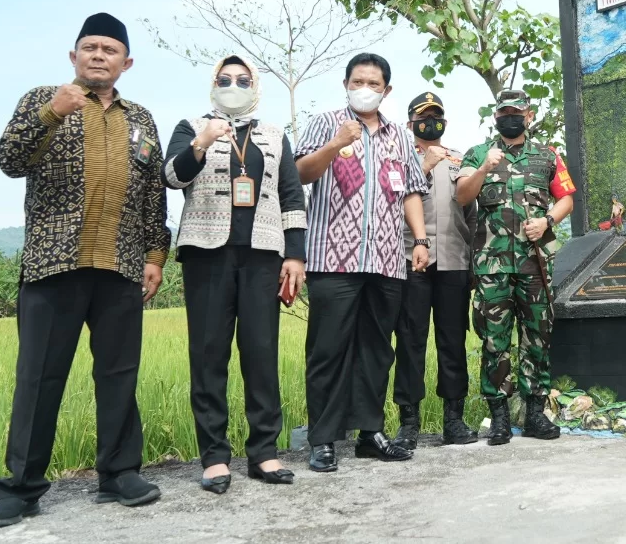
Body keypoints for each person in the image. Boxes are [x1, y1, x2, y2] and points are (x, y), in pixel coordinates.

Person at [0, 14, 169, 531]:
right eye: (89, 47)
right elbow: (8, 160)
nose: (98, 56)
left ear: (125, 63)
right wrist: (49, 114)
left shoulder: (141, 119)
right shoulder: (45, 99)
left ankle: (119, 473)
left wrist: (155, 256)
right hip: (53, 263)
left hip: (120, 265)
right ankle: (20, 488)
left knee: (117, 374)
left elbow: (154, 192)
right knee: (39, 378)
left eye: (110, 49)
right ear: (73, 56)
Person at [161, 55, 307, 493]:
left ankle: (264, 451)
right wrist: (202, 141)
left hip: (263, 254)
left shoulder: (274, 135)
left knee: (261, 354)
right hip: (207, 255)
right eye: (225, 79)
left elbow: (291, 195)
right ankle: (215, 458)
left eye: (243, 80)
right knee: (209, 355)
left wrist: (295, 255)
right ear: (213, 84)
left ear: (255, 86)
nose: (234, 84)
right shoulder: (191, 126)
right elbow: (171, 176)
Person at [294, 53, 431, 473]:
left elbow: (409, 190)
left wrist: (420, 240)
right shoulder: (323, 122)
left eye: (373, 83)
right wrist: (336, 143)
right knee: (328, 349)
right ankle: (324, 439)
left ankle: (370, 433)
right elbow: (299, 173)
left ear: (386, 90)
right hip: (333, 257)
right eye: (358, 81)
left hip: (387, 259)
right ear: (346, 84)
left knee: (376, 351)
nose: (365, 89)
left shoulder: (399, 137)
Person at [456, 89, 576, 445]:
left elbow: (566, 197)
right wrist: (483, 169)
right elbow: (462, 195)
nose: (510, 117)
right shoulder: (478, 153)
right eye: (504, 112)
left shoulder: (547, 156)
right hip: (492, 267)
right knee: (494, 342)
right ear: (496, 117)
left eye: (516, 112)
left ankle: (536, 413)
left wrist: (547, 222)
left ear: (528, 115)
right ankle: (499, 417)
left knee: (537, 337)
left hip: (534, 264)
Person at [390, 92, 479, 450]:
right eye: (424, 117)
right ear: (410, 122)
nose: (431, 122)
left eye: (437, 116)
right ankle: (408, 422)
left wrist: (474, 260)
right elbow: (387, 205)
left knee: (452, 342)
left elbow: (470, 214)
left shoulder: (460, 160)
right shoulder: (397, 160)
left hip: (455, 261)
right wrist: (423, 164)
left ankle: (453, 420)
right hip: (411, 261)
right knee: (410, 342)